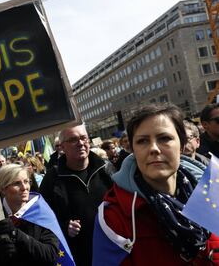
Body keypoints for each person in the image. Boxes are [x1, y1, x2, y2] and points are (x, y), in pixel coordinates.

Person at [93, 103, 219, 265]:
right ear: (132, 149)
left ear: (181, 144)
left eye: (164, 138)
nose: (154, 148)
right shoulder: (114, 216)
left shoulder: (212, 186)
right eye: (143, 141)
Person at [40, 124, 113, 266]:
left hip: (112, 250)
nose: (80, 143)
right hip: (77, 256)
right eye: (73, 139)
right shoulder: (52, 179)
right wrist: (64, 226)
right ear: (62, 147)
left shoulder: (106, 169)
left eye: (83, 138)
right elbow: (43, 220)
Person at [0, 164, 59, 266]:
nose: (24, 187)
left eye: (26, 181)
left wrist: (18, 235)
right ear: (3, 189)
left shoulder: (41, 213)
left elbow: (51, 254)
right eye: (17, 183)